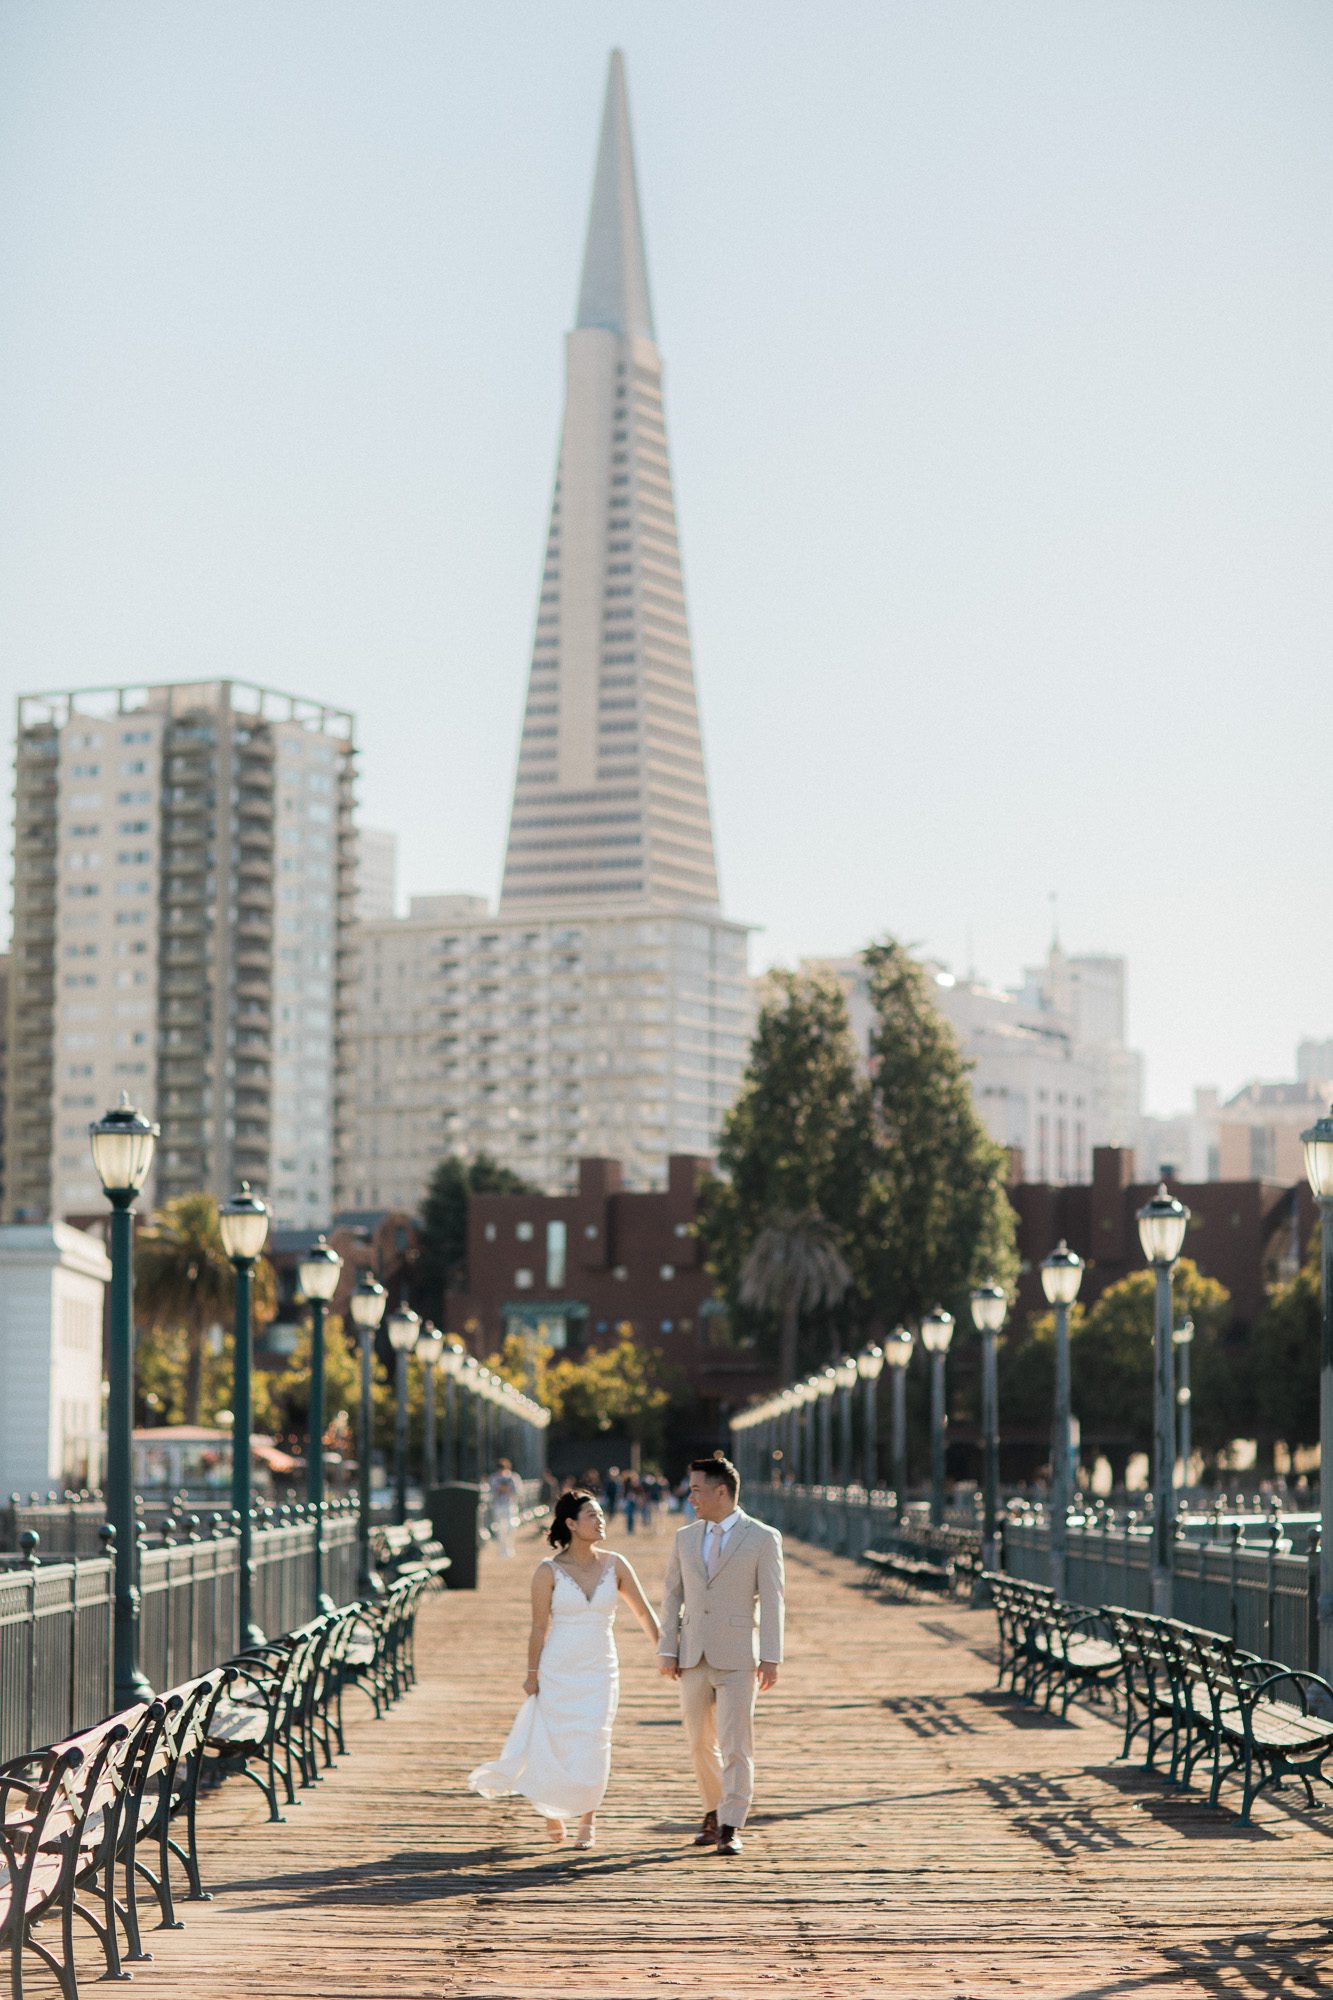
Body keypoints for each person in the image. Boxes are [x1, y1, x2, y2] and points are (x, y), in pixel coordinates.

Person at [468, 1488, 660, 1851]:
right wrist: (531, 1673)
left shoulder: (616, 1564)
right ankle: (551, 1808)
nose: (600, 1520)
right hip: (559, 1667)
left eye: (601, 1514)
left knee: (595, 1739)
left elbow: (643, 1612)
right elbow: (539, 1627)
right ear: (571, 1524)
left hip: (601, 1666)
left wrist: (666, 1651)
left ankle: (588, 1816)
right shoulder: (548, 1571)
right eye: (592, 1515)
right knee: (556, 1741)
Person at [657, 1454, 784, 1857]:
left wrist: (771, 1656)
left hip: (738, 1657)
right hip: (692, 1653)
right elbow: (672, 1595)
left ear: (721, 1491)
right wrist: (667, 1647)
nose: (690, 1496)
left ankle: (730, 1823)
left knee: (735, 1743)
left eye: (696, 1489)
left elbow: (774, 1600)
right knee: (698, 1741)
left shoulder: (763, 1538)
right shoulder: (685, 1537)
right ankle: (712, 1809)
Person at [488, 1457, 520, 1558]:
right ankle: (502, 1549)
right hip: (498, 1505)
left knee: (511, 1526)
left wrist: (507, 1489)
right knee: (500, 1528)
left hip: (510, 1505)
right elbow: (492, 1492)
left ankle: (509, 1547)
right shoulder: (493, 1478)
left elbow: (517, 1491)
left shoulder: (513, 1477)